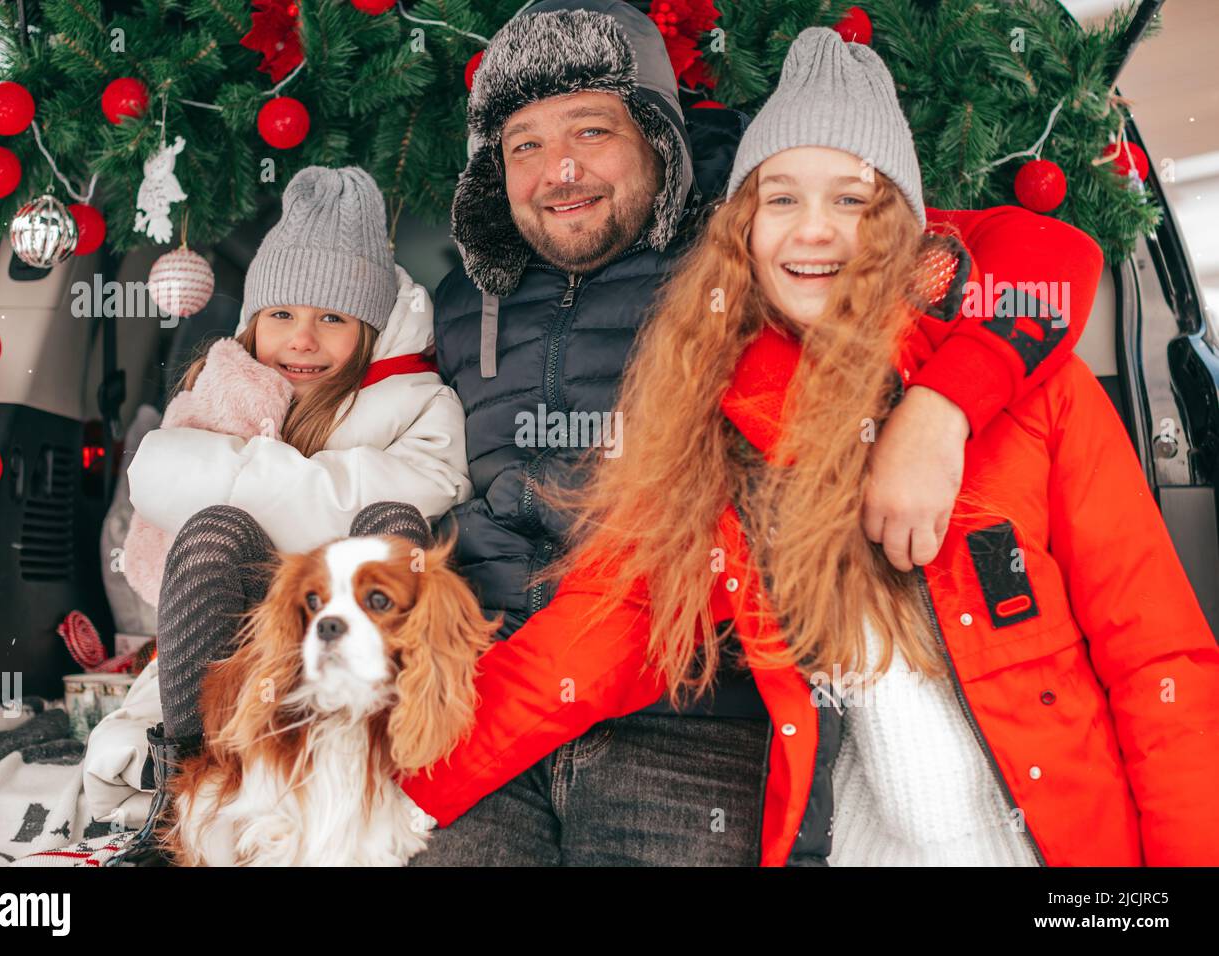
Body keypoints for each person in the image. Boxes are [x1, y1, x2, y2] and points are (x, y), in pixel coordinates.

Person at [406, 5, 1112, 865]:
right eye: (524, 144)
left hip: (686, 711)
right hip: (482, 688)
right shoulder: (458, 298)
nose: (559, 169)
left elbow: (1043, 255)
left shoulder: (753, 244)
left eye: (591, 130)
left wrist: (942, 409)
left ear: (658, 138)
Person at [82, 166, 471, 865]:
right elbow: (152, 475)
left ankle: (386, 772)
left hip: (352, 639)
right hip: (237, 642)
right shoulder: (223, 389)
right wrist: (299, 495)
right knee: (213, 532)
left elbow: (407, 501)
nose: (302, 340)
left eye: (333, 319)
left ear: (371, 329)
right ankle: (190, 788)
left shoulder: (420, 403)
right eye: (283, 315)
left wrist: (233, 478)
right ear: (253, 321)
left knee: (391, 525)